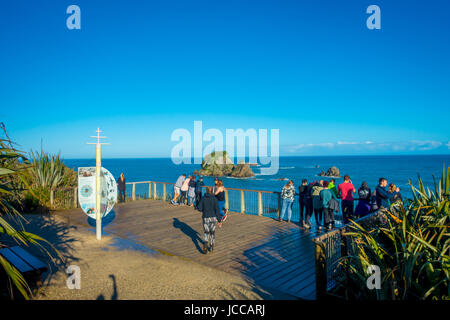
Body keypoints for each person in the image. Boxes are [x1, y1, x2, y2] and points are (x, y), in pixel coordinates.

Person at [197, 186, 222, 254]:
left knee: (206, 232)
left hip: (205, 217)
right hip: (213, 218)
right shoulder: (214, 199)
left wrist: (204, 209)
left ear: (206, 191)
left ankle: (205, 244)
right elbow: (217, 210)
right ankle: (211, 246)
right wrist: (219, 220)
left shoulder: (203, 198)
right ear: (212, 191)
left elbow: (199, 208)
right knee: (212, 232)